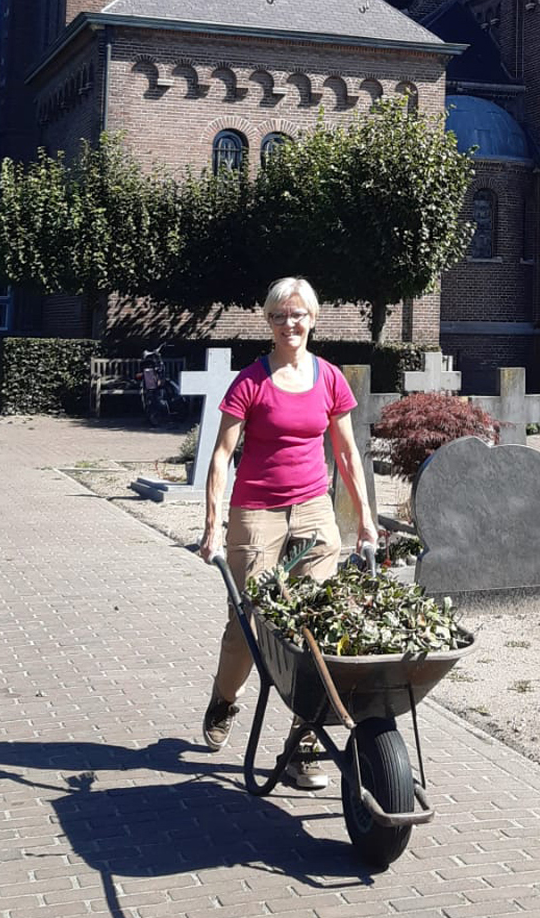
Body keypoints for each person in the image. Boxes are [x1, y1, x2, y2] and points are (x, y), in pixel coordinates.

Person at [198, 275, 378, 789]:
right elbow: (221, 455)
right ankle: (224, 700)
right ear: (269, 322)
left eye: (297, 314)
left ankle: (303, 746)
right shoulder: (251, 382)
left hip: (314, 512)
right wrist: (212, 526)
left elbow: (347, 454)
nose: (288, 323)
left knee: (315, 629)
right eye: (278, 316)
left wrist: (365, 518)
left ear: (313, 319)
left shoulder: (329, 379)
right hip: (256, 513)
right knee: (248, 628)